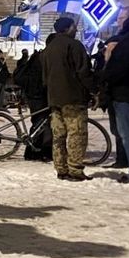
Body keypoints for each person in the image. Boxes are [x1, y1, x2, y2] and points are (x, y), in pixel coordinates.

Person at [42, 17, 98, 181]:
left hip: (54, 99)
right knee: (77, 134)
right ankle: (75, 169)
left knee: (58, 136)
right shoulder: (74, 45)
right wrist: (94, 91)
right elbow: (84, 72)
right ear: (67, 28)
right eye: (74, 26)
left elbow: (44, 77)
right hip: (73, 97)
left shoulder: (48, 49)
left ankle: (61, 169)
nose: (76, 29)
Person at [14, 39, 54, 161]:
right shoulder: (44, 58)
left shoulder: (40, 56)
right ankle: (35, 151)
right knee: (41, 122)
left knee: (40, 122)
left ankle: (35, 150)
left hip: (35, 94)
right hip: (37, 95)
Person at [104, 14, 129, 182]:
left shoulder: (124, 44)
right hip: (124, 94)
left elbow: (115, 71)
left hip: (124, 95)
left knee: (127, 134)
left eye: (122, 18)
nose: (118, 21)